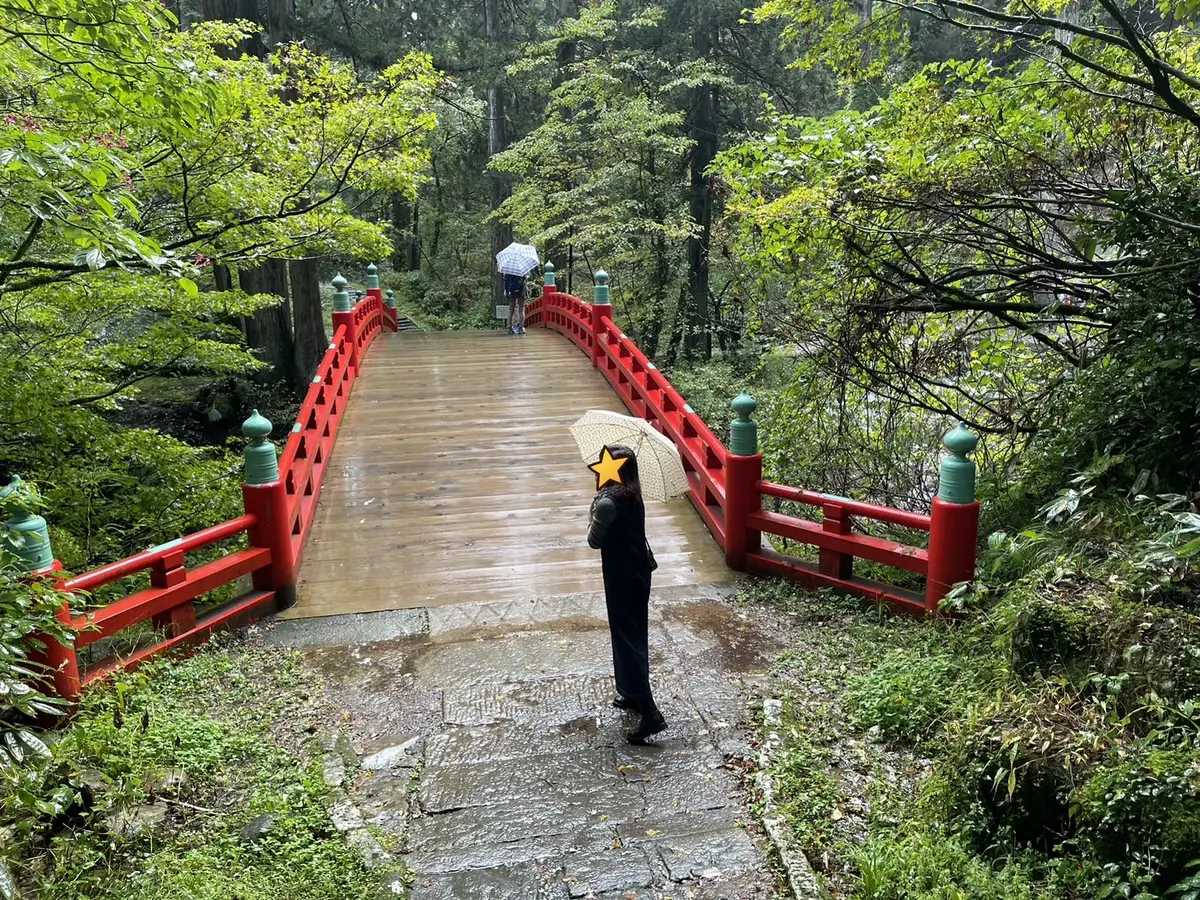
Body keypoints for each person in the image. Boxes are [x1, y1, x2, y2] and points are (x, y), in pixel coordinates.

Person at [586, 445, 667, 744]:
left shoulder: (607, 503)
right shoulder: (632, 496)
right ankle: (630, 692)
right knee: (631, 631)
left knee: (626, 637)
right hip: (636, 571)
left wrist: (593, 507)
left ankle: (650, 712)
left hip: (621, 573)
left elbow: (594, 541)